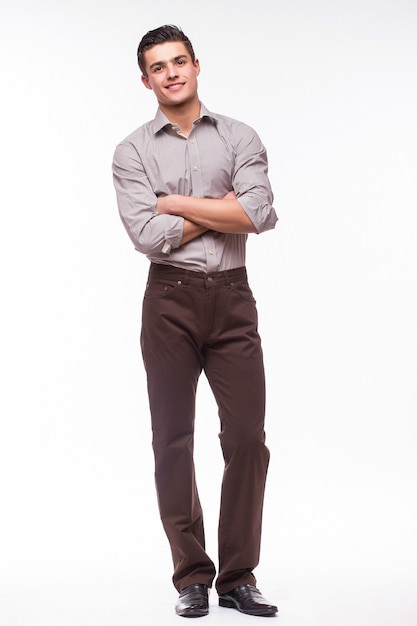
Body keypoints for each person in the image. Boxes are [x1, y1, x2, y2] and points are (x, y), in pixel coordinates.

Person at [112, 24, 278, 618]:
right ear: (146, 79)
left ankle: (238, 576)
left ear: (197, 65)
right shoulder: (132, 151)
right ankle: (191, 574)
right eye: (159, 67)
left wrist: (179, 203)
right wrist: (226, 209)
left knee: (247, 441)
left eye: (179, 61)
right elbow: (147, 238)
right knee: (172, 441)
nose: (172, 73)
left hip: (233, 299)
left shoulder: (239, 136)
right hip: (168, 303)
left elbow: (260, 214)